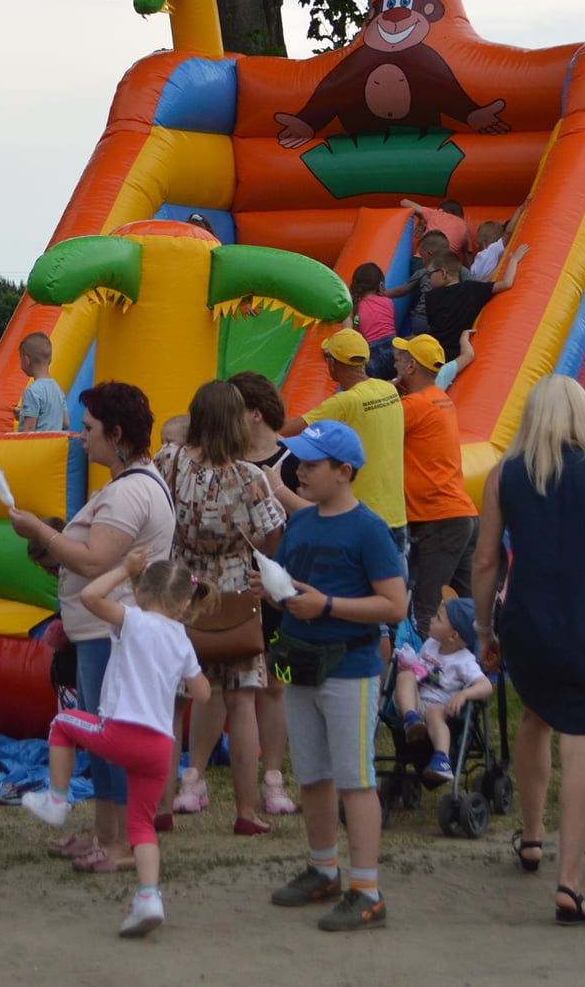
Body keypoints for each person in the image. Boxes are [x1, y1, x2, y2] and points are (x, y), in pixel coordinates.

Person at [473, 375, 585, 924]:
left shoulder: (505, 475)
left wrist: (482, 628)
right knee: (581, 743)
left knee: (534, 719)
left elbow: (485, 561)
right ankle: (569, 879)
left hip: (529, 622)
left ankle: (533, 834)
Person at [5, 381, 174, 873]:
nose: (82, 438)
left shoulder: (130, 491)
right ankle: (107, 832)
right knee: (104, 738)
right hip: (103, 631)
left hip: (111, 633)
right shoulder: (132, 484)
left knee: (111, 739)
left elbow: (95, 559)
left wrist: (40, 531)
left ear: (116, 434)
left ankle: (121, 841)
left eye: (89, 429)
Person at [263, 419, 409, 932]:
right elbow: (287, 581)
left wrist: (325, 604)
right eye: (299, 461)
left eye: (311, 463)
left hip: (351, 668)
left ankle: (367, 890)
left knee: (355, 778)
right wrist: (274, 588)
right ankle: (323, 868)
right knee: (313, 775)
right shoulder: (301, 523)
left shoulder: (368, 528)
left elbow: (395, 603)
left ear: (344, 472)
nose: (300, 471)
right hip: (301, 662)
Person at [23, 550, 211, 938]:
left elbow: (89, 598)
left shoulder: (134, 620)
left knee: (62, 723)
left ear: (139, 593)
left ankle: (57, 800)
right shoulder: (182, 639)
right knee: (141, 825)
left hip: (121, 732)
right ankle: (148, 897)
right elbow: (204, 693)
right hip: (160, 748)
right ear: (185, 604)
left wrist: (123, 570)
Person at [158, 381, 287, 834]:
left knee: (174, 704)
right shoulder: (248, 477)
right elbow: (274, 529)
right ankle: (246, 813)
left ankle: (160, 807)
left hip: (180, 591)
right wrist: (252, 556)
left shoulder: (170, 462)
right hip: (234, 593)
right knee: (242, 702)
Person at [226, 371, 302, 818]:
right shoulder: (225, 460)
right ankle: (195, 775)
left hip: (279, 588)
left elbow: (315, 520)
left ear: (253, 413)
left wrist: (279, 491)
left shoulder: (294, 460)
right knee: (223, 685)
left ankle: (273, 778)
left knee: (276, 685)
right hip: (234, 584)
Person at [278, 331, 408, 562]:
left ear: (333, 363)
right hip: (397, 516)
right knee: (395, 594)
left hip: (362, 521)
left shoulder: (344, 402)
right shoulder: (389, 391)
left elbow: (288, 430)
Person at [390, 334, 477, 633]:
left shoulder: (412, 406)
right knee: (469, 609)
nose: (395, 360)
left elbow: (372, 429)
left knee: (423, 610)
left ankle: (425, 677)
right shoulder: (441, 400)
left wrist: (389, 394)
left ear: (412, 366)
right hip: (460, 514)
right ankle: (478, 670)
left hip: (437, 519)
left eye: (401, 358)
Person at [387, 596, 489, 785]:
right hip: (412, 701)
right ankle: (411, 720)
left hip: (439, 707)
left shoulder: (464, 661)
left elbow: (486, 686)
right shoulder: (430, 645)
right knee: (405, 676)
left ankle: (442, 759)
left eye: (439, 618)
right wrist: (408, 664)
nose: (432, 619)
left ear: (452, 636)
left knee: (434, 712)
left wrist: (463, 694)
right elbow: (418, 669)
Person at [421, 243, 527, 361]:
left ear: (444, 273)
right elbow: (507, 283)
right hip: (456, 353)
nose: (428, 279)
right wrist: (513, 260)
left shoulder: (431, 297)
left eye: (429, 274)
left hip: (434, 351)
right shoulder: (472, 289)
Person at [348, 265, 398, 381]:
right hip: (393, 350)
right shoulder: (387, 302)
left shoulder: (355, 310)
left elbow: (356, 329)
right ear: (380, 285)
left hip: (371, 355)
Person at [15, 332, 69, 432]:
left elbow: (29, 429)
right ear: (50, 360)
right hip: (53, 445)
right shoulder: (58, 389)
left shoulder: (32, 391)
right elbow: (66, 423)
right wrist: (23, 414)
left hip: (36, 447)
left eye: (20, 358)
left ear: (27, 360)